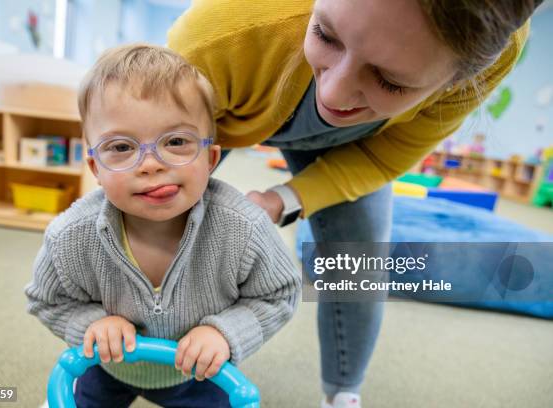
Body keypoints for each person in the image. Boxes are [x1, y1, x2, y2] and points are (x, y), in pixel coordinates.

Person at [167, 1, 541, 406]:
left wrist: (282, 201)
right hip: (218, 114)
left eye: (390, 80)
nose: (334, 94)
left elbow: (384, 158)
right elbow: (143, 159)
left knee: (361, 265)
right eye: (325, 35)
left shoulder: (491, 53)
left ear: (455, 80)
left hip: (362, 143)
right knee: (156, 227)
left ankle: (343, 394)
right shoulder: (217, 36)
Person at [24, 43, 301, 408]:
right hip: (107, 366)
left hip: (197, 370)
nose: (151, 164)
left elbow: (279, 292)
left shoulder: (243, 228)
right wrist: (91, 325)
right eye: (121, 147)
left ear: (210, 158)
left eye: (175, 142)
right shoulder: (70, 235)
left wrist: (225, 333)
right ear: (95, 168)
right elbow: (47, 299)